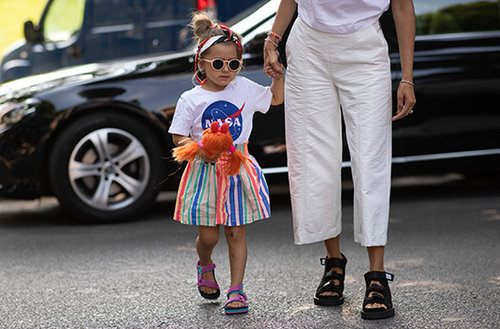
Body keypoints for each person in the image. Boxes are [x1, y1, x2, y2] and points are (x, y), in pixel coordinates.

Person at [263, 0, 416, 320]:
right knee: (313, 159)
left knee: (370, 158)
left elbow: (402, 6)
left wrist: (407, 77)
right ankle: (334, 261)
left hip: (364, 49)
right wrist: (272, 39)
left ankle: (377, 275)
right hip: (307, 47)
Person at [168, 11, 284, 315]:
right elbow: (178, 137)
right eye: (218, 64)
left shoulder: (243, 87)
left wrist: (278, 77)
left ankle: (237, 290)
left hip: (236, 166)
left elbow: (274, 100)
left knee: (236, 232)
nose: (226, 70)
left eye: (233, 64)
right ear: (201, 63)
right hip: (205, 169)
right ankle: (205, 264)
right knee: (208, 236)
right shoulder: (190, 99)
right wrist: (199, 149)